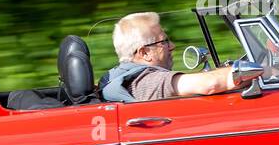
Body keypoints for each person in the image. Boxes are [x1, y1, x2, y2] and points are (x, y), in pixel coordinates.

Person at [100, 12, 248, 102]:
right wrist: (256, 69)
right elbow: (211, 84)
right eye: (164, 42)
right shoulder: (145, 81)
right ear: (144, 53)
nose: (172, 46)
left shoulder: (116, 76)